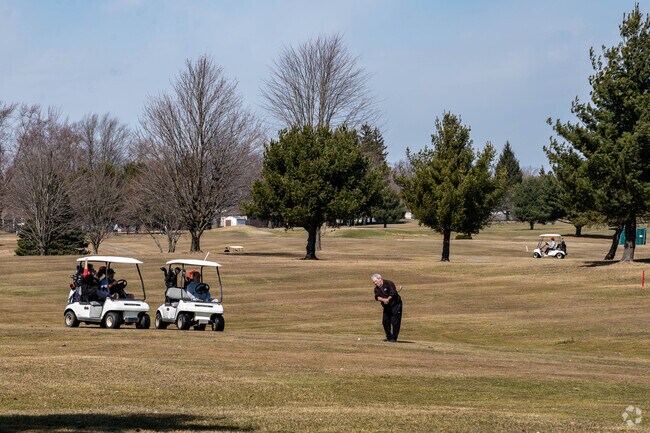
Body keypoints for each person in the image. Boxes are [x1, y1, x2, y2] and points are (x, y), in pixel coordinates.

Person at [372, 273, 402, 342]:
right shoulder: (376, 289)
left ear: (380, 279)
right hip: (386, 306)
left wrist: (388, 299)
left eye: (375, 281)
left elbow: (393, 293)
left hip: (396, 304)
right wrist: (383, 300)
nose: (375, 283)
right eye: (374, 282)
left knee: (395, 322)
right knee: (385, 322)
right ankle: (389, 337)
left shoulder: (389, 283)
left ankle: (394, 338)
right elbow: (377, 297)